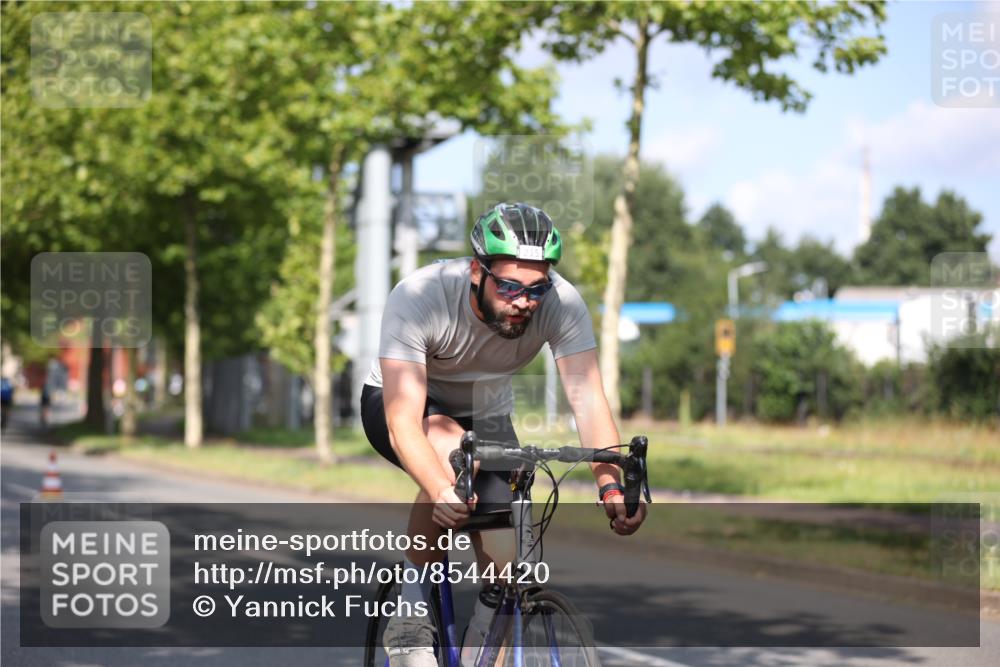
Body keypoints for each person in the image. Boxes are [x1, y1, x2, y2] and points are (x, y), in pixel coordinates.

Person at [360, 202, 647, 666]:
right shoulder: (420, 296)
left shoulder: (561, 303)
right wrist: (439, 488)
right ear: (478, 271)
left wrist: (609, 482)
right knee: (450, 455)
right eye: (509, 286)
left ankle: (486, 634)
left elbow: (588, 399)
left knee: (508, 556)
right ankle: (410, 612)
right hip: (404, 404)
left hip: (486, 412)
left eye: (536, 289)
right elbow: (402, 422)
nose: (523, 302)